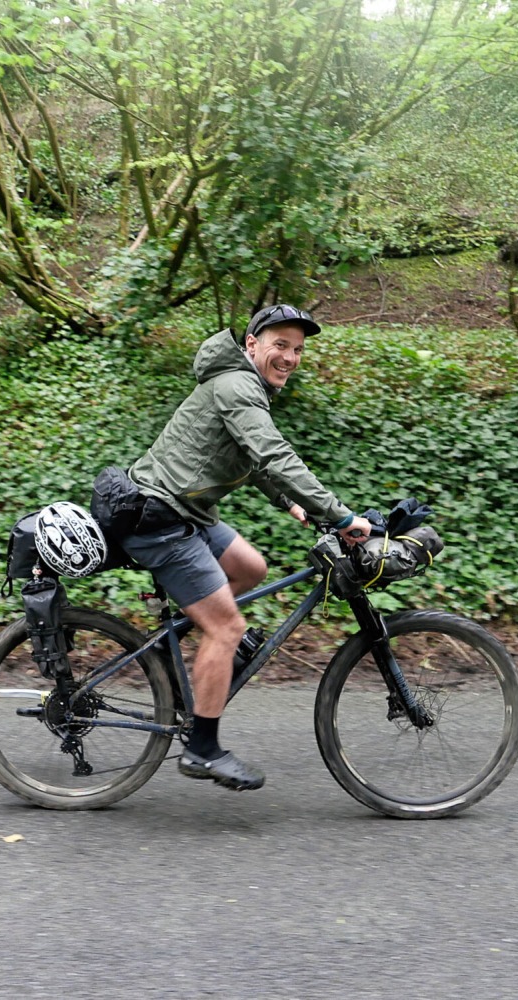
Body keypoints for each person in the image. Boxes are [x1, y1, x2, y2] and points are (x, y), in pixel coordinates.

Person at [122, 304, 372, 791]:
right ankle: (202, 748)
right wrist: (341, 515)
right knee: (229, 626)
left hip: (184, 511)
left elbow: (252, 460)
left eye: (298, 349)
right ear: (252, 345)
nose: (291, 357)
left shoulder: (242, 384)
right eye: (281, 345)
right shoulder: (238, 385)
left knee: (251, 568)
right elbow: (273, 454)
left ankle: (199, 659)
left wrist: (292, 504)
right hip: (161, 517)